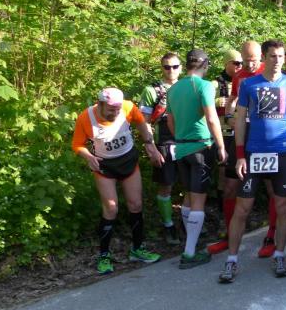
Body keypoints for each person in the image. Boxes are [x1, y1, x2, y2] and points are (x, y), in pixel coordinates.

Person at [219, 40, 286, 282]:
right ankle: (231, 260)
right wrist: (240, 155)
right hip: (254, 152)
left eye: (281, 56)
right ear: (264, 58)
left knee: (283, 206)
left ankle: (279, 254)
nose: (278, 61)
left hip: (282, 152)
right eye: (273, 56)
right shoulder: (249, 84)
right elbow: (240, 120)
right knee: (242, 208)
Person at [72, 87, 164, 274]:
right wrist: (88, 156)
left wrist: (150, 144)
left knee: (136, 204)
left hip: (128, 161)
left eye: (117, 109)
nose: (115, 113)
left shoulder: (128, 107)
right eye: (111, 109)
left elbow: (141, 123)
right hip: (104, 166)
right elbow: (77, 144)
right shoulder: (86, 117)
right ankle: (104, 256)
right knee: (111, 208)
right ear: (100, 104)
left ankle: (137, 249)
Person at [166, 49, 227, 269]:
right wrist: (221, 146)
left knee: (189, 197)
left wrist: (180, 137)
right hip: (201, 147)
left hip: (181, 148)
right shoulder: (204, 86)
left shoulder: (173, 88)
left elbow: (170, 121)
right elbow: (211, 118)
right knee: (198, 200)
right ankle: (190, 252)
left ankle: (191, 241)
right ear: (205, 64)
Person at [229, 40, 277, 258]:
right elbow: (233, 101)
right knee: (231, 185)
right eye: (246, 60)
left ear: (262, 57)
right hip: (244, 134)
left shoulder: (270, 73)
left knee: (272, 187)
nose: (250, 64)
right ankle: (230, 235)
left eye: (254, 60)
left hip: (266, 136)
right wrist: (230, 115)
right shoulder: (239, 76)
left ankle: (272, 234)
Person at [138, 52, 181, 244]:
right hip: (163, 142)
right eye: (167, 67)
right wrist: (151, 147)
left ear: (181, 67)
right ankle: (168, 225)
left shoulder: (187, 86)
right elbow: (144, 122)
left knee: (192, 185)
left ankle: (189, 221)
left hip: (187, 141)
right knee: (166, 186)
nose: (171, 70)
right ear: (161, 68)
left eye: (175, 66)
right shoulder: (152, 90)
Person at [206, 49, 243, 254]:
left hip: (243, 135)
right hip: (223, 136)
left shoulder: (246, 79)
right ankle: (226, 221)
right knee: (225, 179)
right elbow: (206, 109)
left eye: (241, 63)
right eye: (235, 63)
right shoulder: (214, 84)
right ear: (226, 63)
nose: (239, 66)